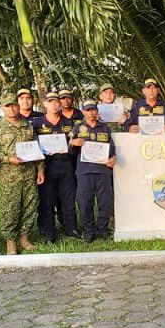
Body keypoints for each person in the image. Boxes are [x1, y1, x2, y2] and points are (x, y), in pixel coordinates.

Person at [0, 92, 41, 254]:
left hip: (29, 173)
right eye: (7, 106)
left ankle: (24, 238)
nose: (11, 109)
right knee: (10, 208)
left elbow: (36, 148)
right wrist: (8, 159)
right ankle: (10, 241)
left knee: (30, 206)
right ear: (2, 107)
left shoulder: (28, 125)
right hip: (8, 176)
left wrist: (41, 169)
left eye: (14, 105)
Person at [71, 99, 116, 241]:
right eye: (88, 110)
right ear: (83, 111)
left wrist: (113, 158)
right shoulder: (77, 128)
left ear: (97, 111)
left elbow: (111, 148)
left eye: (93, 109)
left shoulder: (105, 128)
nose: (91, 113)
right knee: (85, 202)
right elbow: (69, 150)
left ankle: (103, 229)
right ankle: (89, 231)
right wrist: (73, 143)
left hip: (103, 171)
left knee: (105, 202)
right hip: (84, 171)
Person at [36, 92, 79, 241]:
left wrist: (73, 145)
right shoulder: (37, 124)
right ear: (45, 104)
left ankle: (71, 228)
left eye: (56, 102)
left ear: (60, 104)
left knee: (68, 199)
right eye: (50, 102)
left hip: (66, 165)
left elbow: (75, 145)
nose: (54, 104)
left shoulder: (68, 123)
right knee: (47, 201)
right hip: (47, 166)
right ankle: (49, 232)